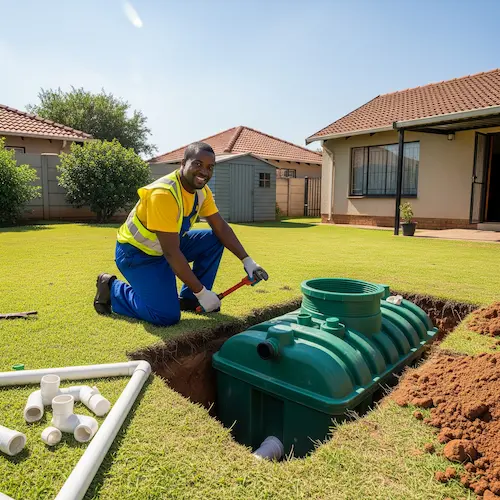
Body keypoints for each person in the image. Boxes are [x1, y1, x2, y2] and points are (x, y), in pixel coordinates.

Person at [93, 141, 268, 326]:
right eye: (198, 164)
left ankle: (190, 299)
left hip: (166, 248)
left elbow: (221, 228)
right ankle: (112, 288)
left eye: (210, 167)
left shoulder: (202, 192)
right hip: (137, 255)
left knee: (215, 238)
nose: (204, 172)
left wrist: (247, 261)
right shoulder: (163, 194)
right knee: (166, 316)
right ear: (183, 163)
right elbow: (171, 253)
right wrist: (202, 292)